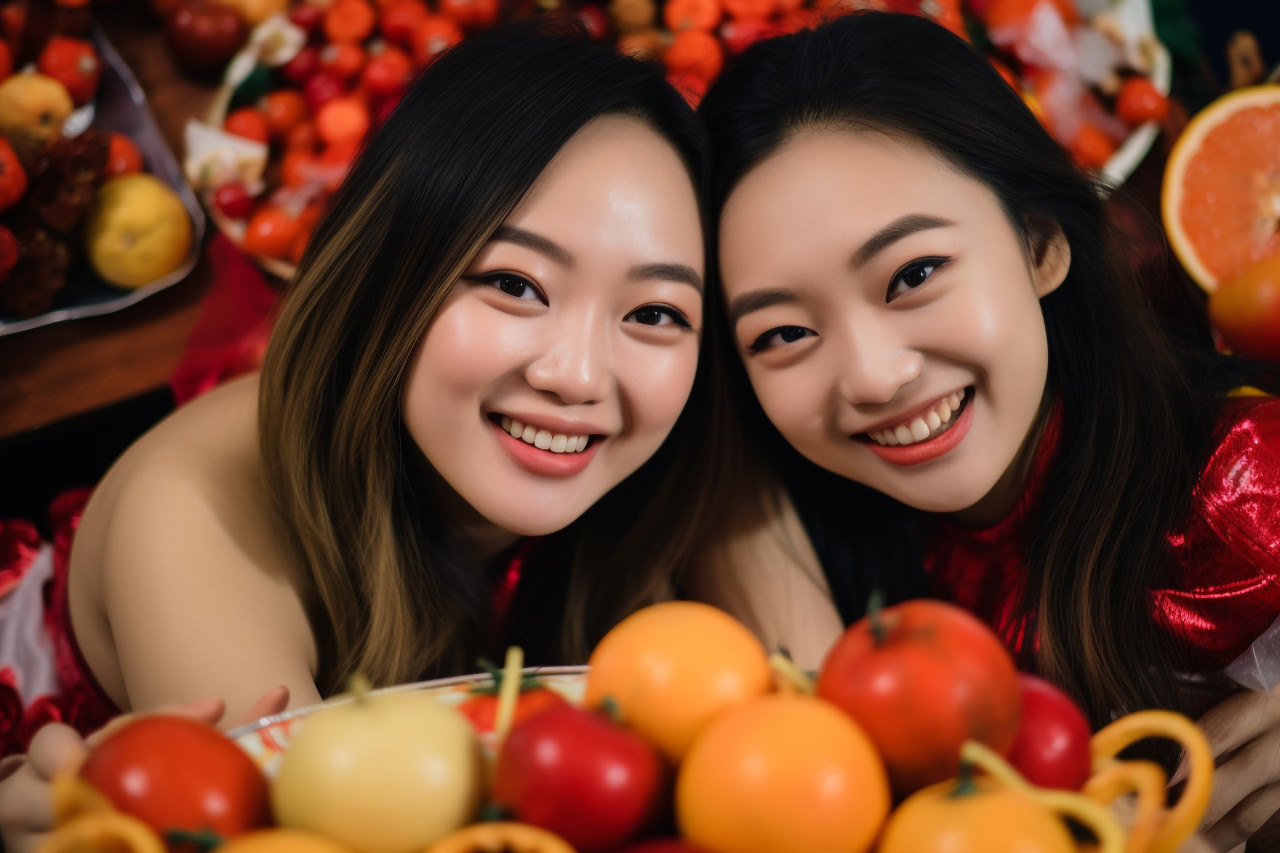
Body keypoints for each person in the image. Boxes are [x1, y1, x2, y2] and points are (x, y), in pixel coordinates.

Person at [0, 18, 731, 848]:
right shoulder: (190, 518)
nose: (580, 375)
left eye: (654, 312)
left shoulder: (681, 459)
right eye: (516, 284)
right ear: (394, 267)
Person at [693, 11, 1280, 851]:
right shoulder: (801, 525)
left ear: (1040, 245)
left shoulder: (1244, 491)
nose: (873, 376)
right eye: (782, 333)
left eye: (914, 274)